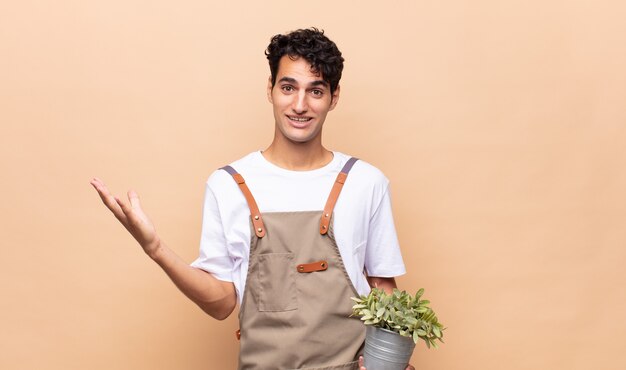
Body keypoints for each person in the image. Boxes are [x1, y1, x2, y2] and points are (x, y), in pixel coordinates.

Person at [91, 28, 412, 370]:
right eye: (288, 87)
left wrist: (389, 363)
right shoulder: (227, 185)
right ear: (270, 89)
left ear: (334, 97)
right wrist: (155, 249)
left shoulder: (367, 182)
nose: (300, 105)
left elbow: (382, 286)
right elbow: (221, 304)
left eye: (315, 91)